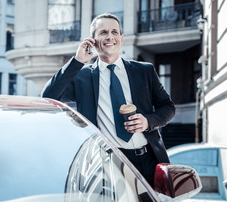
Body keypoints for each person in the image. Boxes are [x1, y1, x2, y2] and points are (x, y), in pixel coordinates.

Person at [41, 13, 175, 187]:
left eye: (114, 32)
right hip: (109, 164)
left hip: (149, 159)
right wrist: (77, 61)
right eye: (103, 32)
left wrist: (148, 121)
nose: (109, 37)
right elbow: (49, 96)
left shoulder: (144, 71)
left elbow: (168, 107)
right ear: (93, 40)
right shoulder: (82, 77)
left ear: (121, 38)